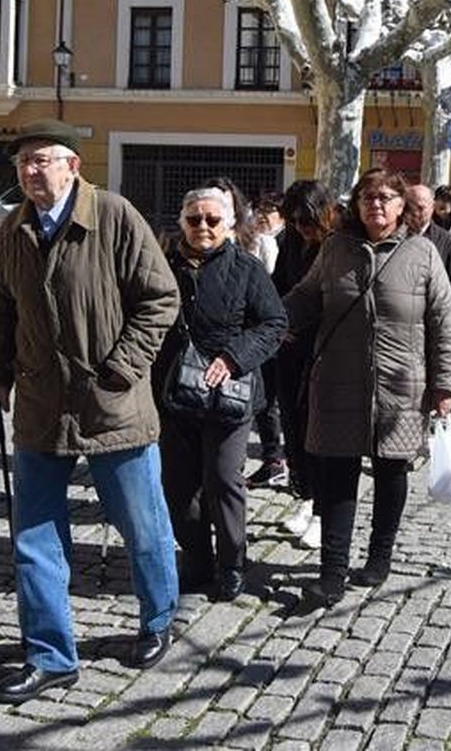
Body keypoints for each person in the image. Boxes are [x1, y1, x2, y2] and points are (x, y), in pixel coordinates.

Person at [0, 119, 182, 704]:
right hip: (41, 406)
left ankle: (158, 618)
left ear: (73, 165)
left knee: (142, 526)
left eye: (41, 159)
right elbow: (3, 309)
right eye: (22, 162)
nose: (29, 170)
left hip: (113, 407)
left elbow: (160, 298)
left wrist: (121, 369)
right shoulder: (14, 229)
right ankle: (50, 656)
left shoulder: (114, 216)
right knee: (34, 539)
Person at [282, 168, 451, 605]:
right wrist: (271, 322)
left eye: (385, 197)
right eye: (367, 197)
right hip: (338, 381)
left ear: (401, 205)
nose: (375, 204)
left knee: (390, 472)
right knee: (336, 475)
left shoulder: (422, 253)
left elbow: (445, 322)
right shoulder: (335, 249)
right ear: (356, 204)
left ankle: (379, 559)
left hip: (401, 386)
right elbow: (304, 297)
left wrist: (444, 385)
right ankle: (332, 574)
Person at [154, 188, 286, 602]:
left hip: (230, 395)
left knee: (224, 479)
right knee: (179, 486)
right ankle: (197, 560)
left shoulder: (247, 268)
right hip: (175, 394)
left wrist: (233, 358)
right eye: (194, 219)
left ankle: (232, 563)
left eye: (212, 220)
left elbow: (273, 323)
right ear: (182, 222)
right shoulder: (163, 266)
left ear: (229, 224)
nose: (203, 227)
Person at [268, 180, 339, 550]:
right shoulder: (292, 241)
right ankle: (306, 497)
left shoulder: (339, 242)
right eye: (294, 221)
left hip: (326, 350)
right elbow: (279, 286)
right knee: (294, 428)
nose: (301, 228)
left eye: (307, 221)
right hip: (290, 347)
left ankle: (324, 513)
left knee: (320, 432)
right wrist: (278, 325)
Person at [245, 194, 287, 490]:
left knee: (271, 399)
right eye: (259, 210)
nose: (262, 216)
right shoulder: (254, 239)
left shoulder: (281, 242)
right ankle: (273, 457)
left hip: (278, 331)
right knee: (264, 399)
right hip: (256, 331)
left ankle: (280, 460)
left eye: (269, 211)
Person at [405, 183, 451, 328]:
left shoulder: (448, 242)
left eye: (420, 208)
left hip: (436, 322)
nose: (415, 213)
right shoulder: (395, 239)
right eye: (409, 208)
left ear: (432, 207)